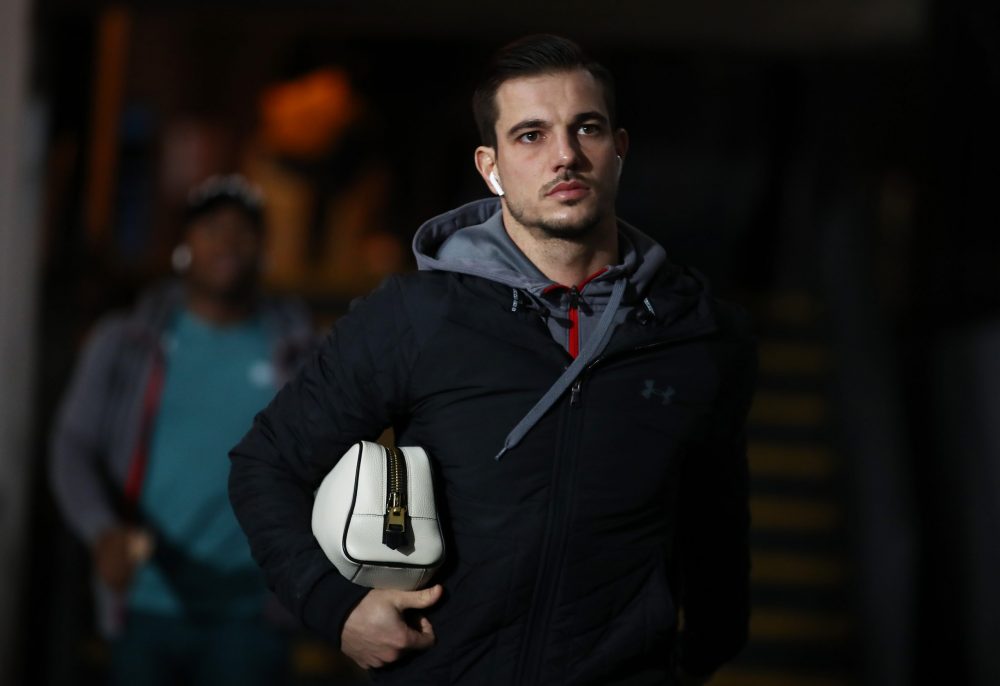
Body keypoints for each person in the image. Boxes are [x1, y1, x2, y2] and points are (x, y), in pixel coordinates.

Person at [229, 35, 756, 686]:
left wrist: (697, 656)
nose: (564, 156)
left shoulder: (698, 334)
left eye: (585, 128)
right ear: (492, 166)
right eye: (531, 135)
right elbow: (266, 465)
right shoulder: (418, 316)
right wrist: (337, 610)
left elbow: (716, 531)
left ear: (618, 150)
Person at [50, 175, 315, 685]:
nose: (227, 242)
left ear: (263, 248)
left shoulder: (298, 351)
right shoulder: (125, 341)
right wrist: (100, 529)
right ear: (183, 246)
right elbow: (74, 445)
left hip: (255, 611)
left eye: (244, 231)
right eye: (211, 228)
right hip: (148, 601)